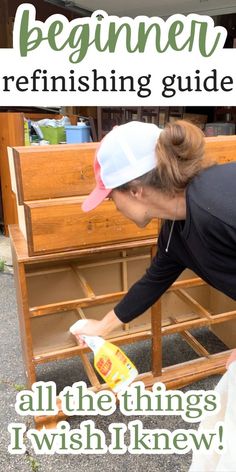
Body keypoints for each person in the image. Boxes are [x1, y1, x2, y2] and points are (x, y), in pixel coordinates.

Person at [73, 119, 236, 342]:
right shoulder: (175, 230)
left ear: (135, 191)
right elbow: (154, 281)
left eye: (111, 198)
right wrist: (103, 326)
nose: (117, 208)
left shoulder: (217, 210)